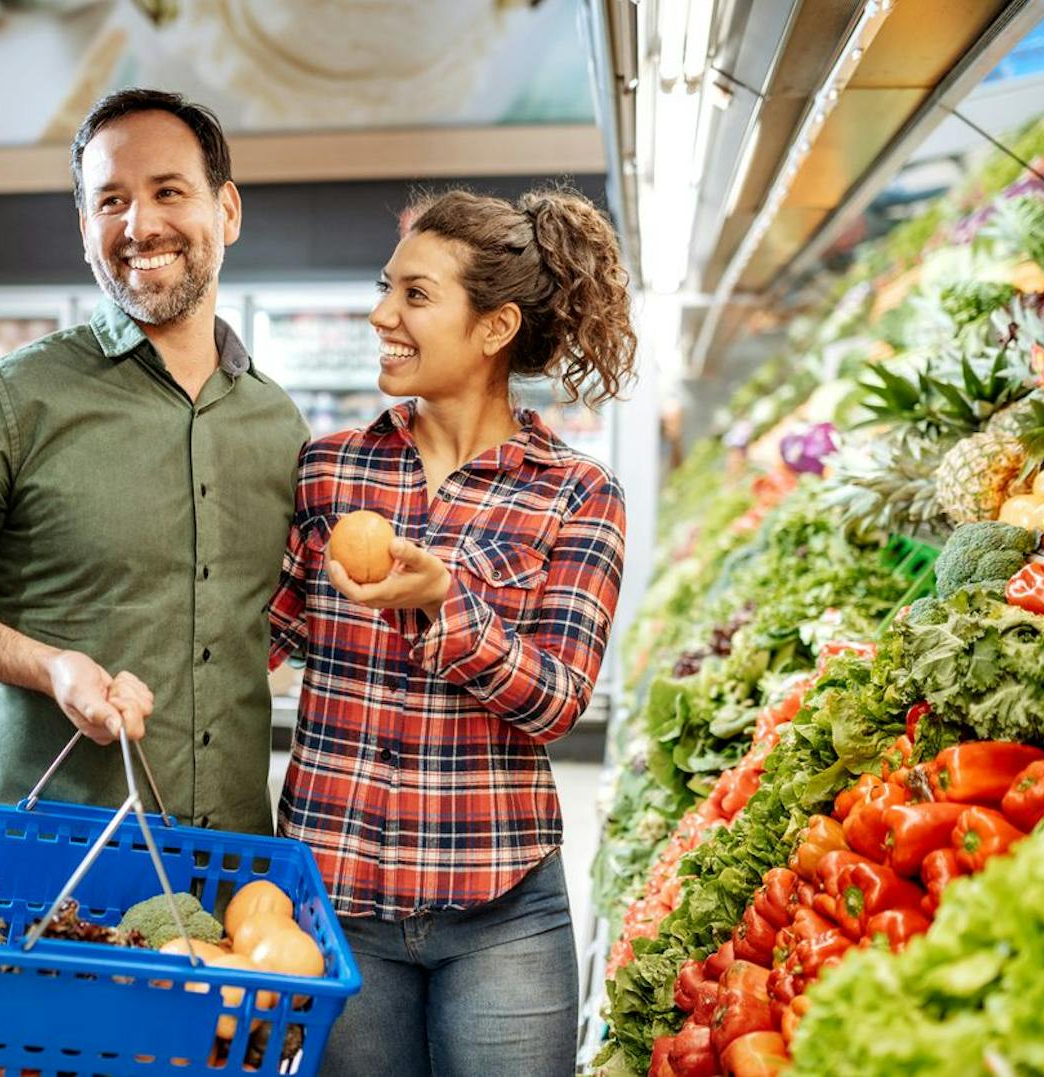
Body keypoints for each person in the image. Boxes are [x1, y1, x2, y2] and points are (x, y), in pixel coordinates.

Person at [0, 89, 309, 833]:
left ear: (227, 212)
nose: (140, 224)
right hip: (49, 849)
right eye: (111, 200)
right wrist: (46, 665)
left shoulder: (277, 424)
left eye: (168, 192)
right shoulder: (14, 400)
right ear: (85, 228)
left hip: (232, 856)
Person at [268, 186, 635, 1076]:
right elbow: (259, 637)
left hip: (500, 910)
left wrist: (445, 605)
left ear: (495, 326)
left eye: (415, 295)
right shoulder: (328, 470)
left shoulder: (576, 494)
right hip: (335, 900)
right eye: (385, 287)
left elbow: (554, 700)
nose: (381, 313)